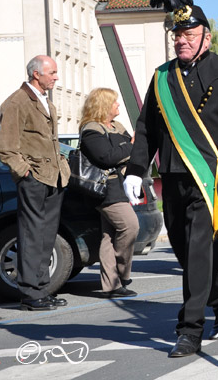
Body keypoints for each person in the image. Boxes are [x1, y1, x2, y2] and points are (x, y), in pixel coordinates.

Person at [125, 0, 218, 358]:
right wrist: (137, 167)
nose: (181, 40)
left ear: (206, 36)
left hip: (210, 179)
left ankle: (190, 329)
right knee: (186, 254)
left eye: (188, 33)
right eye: (177, 34)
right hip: (173, 176)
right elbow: (147, 127)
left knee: (199, 252)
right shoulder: (161, 77)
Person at [0, 55, 68, 311]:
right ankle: (29, 292)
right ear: (36, 74)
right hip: (34, 178)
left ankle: (42, 288)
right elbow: (6, 148)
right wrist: (25, 172)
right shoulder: (17, 102)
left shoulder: (47, 103)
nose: (56, 77)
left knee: (47, 235)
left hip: (54, 177)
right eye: (52, 72)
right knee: (30, 234)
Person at [79, 88, 139, 298]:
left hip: (122, 184)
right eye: (114, 102)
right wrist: (129, 146)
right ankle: (122, 274)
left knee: (108, 236)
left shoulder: (117, 126)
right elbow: (106, 157)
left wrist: (127, 148)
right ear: (104, 105)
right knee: (130, 226)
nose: (118, 105)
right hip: (106, 188)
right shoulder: (91, 130)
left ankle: (111, 285)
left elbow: (127, 151)